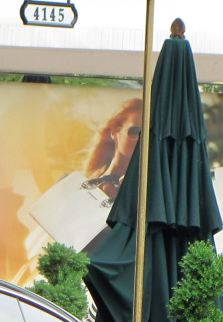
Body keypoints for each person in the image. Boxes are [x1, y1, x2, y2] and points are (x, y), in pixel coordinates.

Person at [27, 98, 143, 254]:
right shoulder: (78, 188)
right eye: (135, 131)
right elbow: (48, 243)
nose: (142, 140)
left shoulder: (146, 197)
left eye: (149, 134)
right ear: (115, 131)